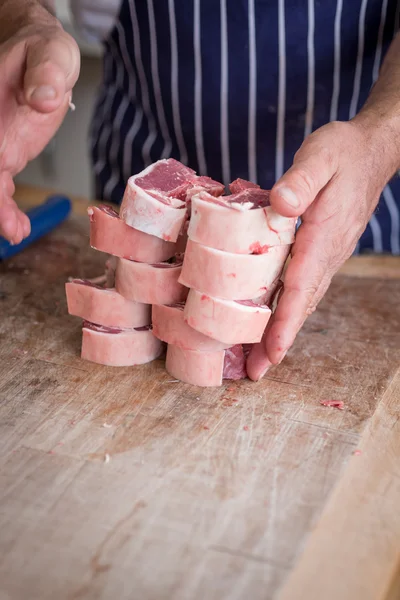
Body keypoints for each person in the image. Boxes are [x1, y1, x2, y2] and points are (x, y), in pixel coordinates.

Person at [0, 0, 399, 381]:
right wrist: (24, 18)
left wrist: (382, 137)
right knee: (133, 279)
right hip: (144, 183)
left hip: (348, 194)